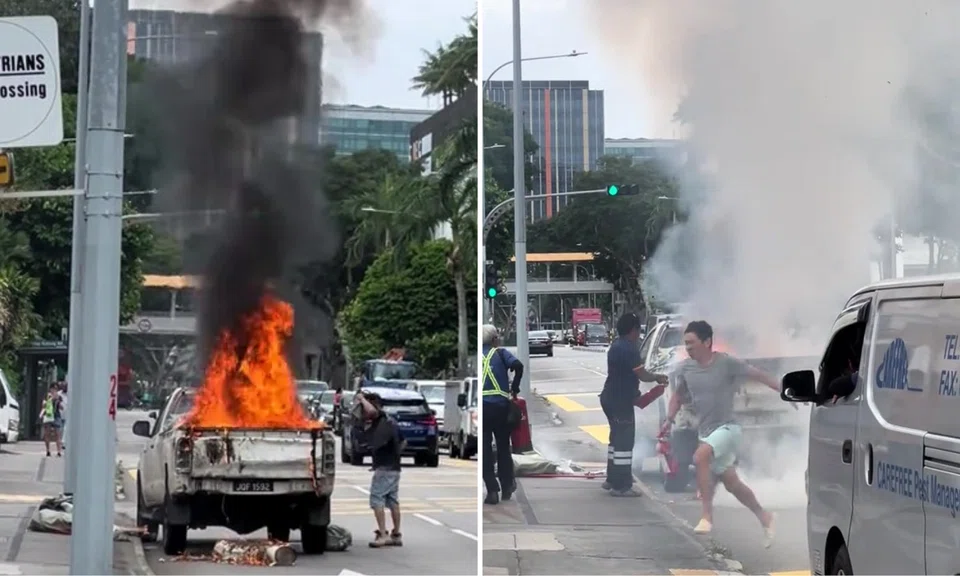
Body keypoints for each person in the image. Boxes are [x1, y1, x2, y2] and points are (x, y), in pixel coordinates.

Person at [663, 320, 779, 546]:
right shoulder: (686, 369)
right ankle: (766, 517)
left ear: (707, 342)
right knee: (732, 484)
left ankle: (707, 516)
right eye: (685, 343)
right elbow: (677, 396)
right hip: (707, 433)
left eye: (691, 343)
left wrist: (784, 391)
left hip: (728, 429)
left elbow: (759, 375)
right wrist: (668, 420)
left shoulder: (726, 363)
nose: (687, 348)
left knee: (700, 456)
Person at [600, 313, 670, 497]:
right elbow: (643, 375)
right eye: (638, 330)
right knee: (624, 443)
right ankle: (622, 486)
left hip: (610, 398)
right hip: (620, 401)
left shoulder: (616, 346)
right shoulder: (629, 349)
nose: (639, 334)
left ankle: (612, 479)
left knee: (615, 441)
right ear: (633, 330)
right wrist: (658, 377)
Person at [354, 391, 403, 548]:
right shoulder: (390, 421)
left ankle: (383, 534)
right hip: (394, 467)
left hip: (385, 468)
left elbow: (372, 411)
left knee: (377, 499)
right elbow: (403, 442)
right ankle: (396, 534)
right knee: (392, 500)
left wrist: (361, 399)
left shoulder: (381, 418)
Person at [481, 324, 522, 505]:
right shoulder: (500, 353)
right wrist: (515, 387)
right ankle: (506, 486)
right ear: (494, 339)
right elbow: (518, 366)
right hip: (501, 407)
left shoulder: (480, 355)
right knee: (504, 447)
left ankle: (492, 490)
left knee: (485, 450)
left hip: (482, 408)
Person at [39, 383, 63, 458]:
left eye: (56, 389)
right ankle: (48, 450)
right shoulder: (47, 396)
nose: (54, 390)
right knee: (47, 433)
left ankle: (59, 451)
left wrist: (58, 401)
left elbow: (61, 407)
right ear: (50, 389)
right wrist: (51, 399)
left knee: (58, 434)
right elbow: (43, 405)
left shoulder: (59, 397)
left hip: (56, 416)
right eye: (53, 388)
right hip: (48, 415)